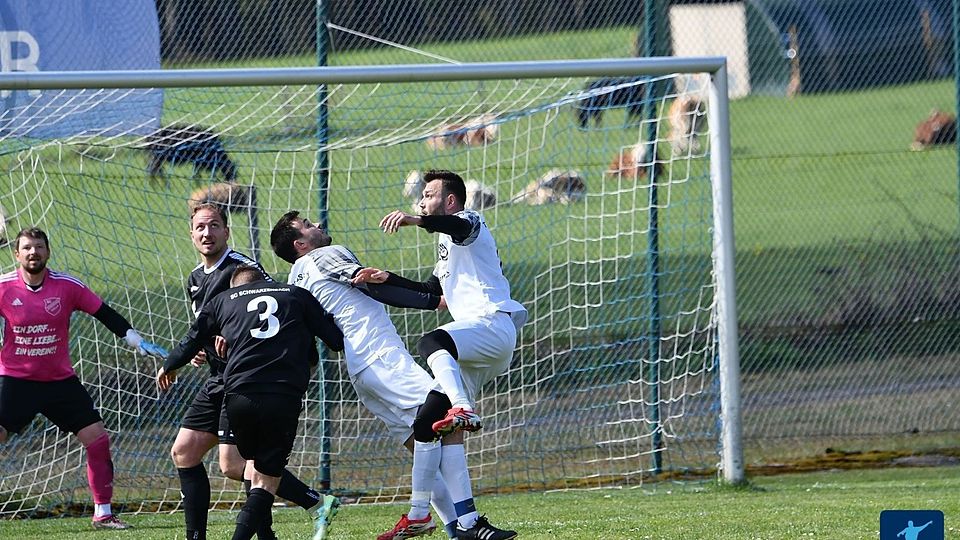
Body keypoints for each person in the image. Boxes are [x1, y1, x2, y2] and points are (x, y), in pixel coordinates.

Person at [270, 210, 514, 540]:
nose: (318, 227)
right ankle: (463, 522)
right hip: (381, 356)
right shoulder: (326, 255)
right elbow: (372, 284)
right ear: (301, 243)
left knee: (421, 441)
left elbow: (331, 337)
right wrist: (431, 300)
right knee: (446, 416)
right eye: (309, 226)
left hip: (360, 371)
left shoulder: (296, 280)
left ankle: (453, 528)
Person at [354, 169, 527, 540]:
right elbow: (433, 294)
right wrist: (385, 280)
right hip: (472, 350)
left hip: (492, 326)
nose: (421, 199)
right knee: (425, 424)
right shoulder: (447, 246)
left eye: (429, 194)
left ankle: (462, 407)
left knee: (431, 342)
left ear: (449, 201)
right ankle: (452, 520)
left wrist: (417, 220)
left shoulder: (468, 221)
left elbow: (457, 228)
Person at [157, 203, 329, 540]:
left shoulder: (245, 270)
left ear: (226, 231)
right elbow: (208, 327)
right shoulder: (195, 278)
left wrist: (233, 340)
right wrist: (201, 352)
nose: (207, 233)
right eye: (200, 228)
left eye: (214, 226)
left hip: (245, 380)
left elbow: (270, 320)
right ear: (191, 234)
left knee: (236, 465)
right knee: (185, 451)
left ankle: (312, 504)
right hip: (217, 377)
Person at [0, 227, 167, 530]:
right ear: (17, 254)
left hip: (60, 383)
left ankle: (103, 513)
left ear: (48, 252)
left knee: (98, 439)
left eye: (39, 247)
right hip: (16, 382)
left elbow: (105, 313)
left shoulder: (67, 286)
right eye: (26, 248)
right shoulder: (4, 287)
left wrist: (135, 340)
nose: (33, 252)